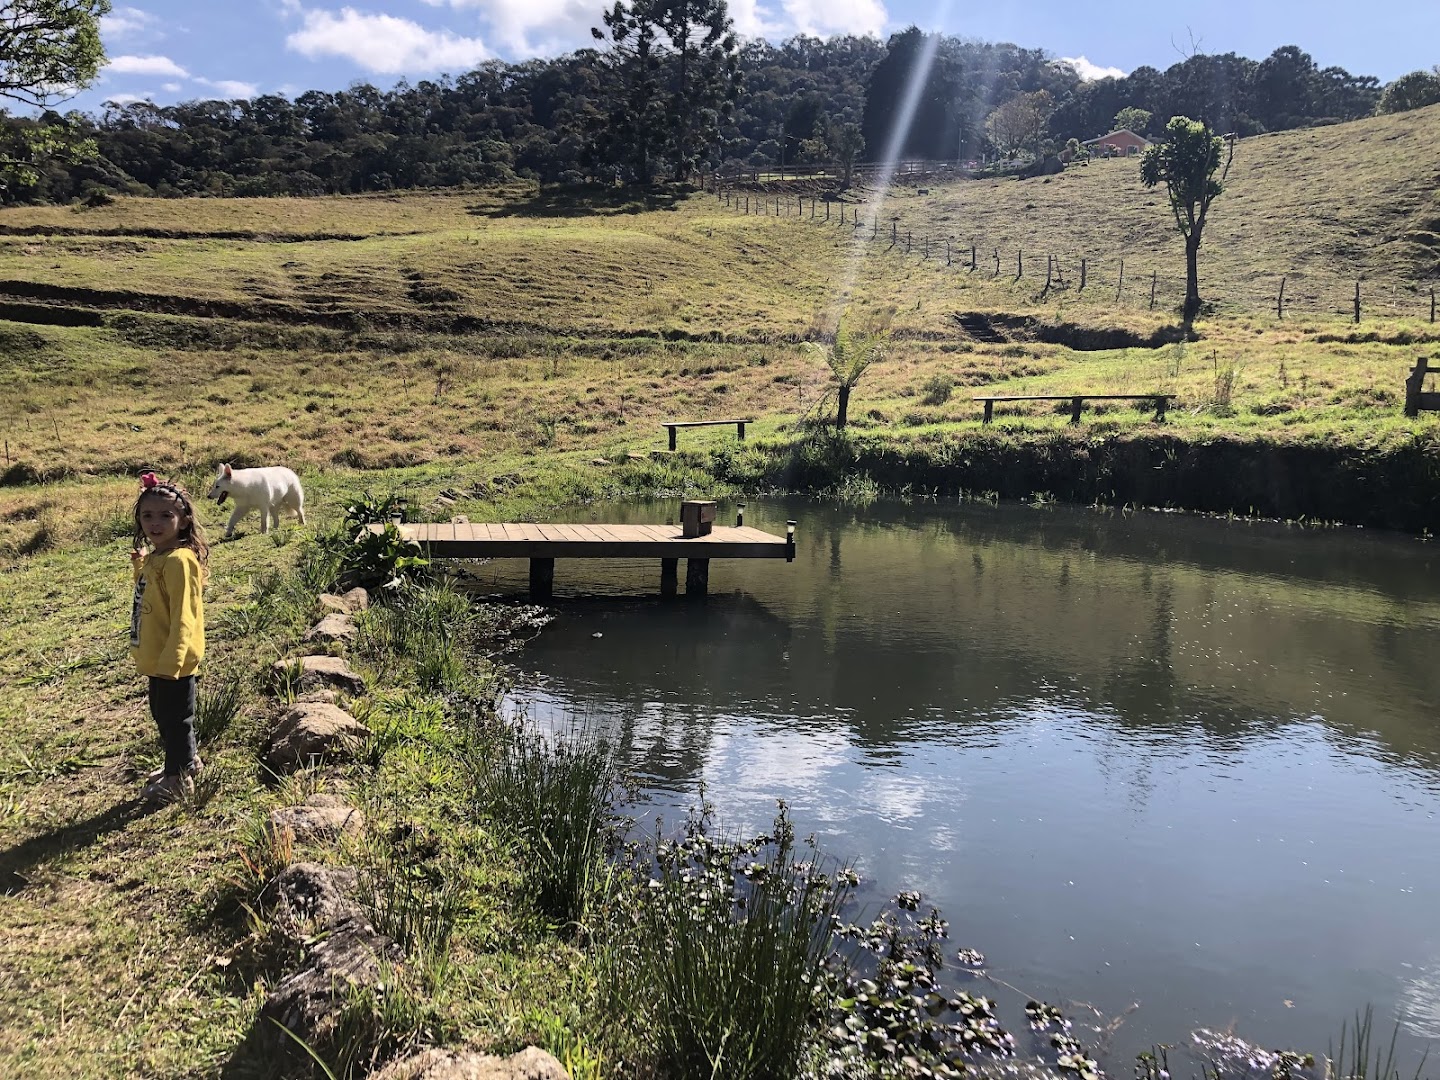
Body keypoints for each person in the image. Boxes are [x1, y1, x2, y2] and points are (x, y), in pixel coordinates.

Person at [129, 472, 208, 803]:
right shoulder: (159, 557)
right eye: (147, 515)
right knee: (164, 716)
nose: (155, 523)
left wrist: (173, 660)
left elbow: (184, 615)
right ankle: (186, 763)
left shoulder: (179, 561)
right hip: (158, 656)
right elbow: (151, 592)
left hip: (172, 659)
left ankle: (177, 780)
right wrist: (140, 567)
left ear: (183, 520)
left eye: (165, 515)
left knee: (175, 720)